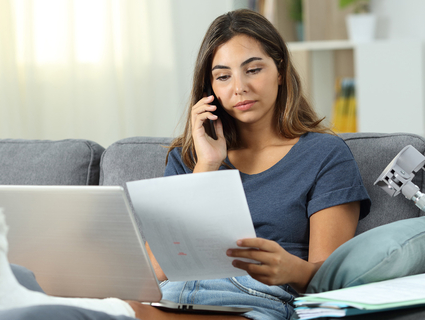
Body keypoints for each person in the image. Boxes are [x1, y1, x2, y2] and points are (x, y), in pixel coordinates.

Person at [127, 8, 371, 320]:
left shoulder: (325, 155)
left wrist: (291, 268)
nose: (239, 87)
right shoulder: (188, 158)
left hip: (256, 301)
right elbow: (154, 271)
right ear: (210, 89)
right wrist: (207, 165)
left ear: (280, 71)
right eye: (223, 76)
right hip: (173, 299)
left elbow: (332, 279)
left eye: (253, 70)